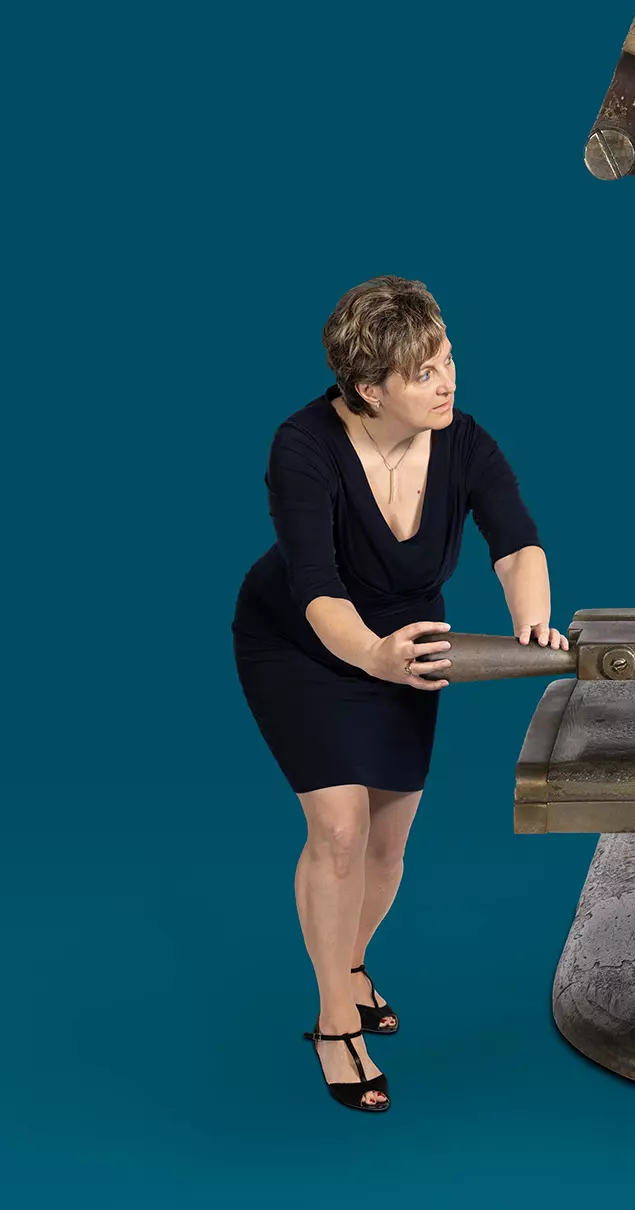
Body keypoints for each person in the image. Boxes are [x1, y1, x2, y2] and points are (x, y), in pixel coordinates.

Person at [231, 277, 569, 1113]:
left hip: (409, 646)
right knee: (339, 831)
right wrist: (371, 656)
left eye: (448, 360)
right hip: (302, 643)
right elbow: (315, 587)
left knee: (386, 847)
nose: (448, 381)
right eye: (424, 373)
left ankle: (348, 962)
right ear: (368, 388)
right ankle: (334, 1021)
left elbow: (516, 540)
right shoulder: (302, 446)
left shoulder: (464, 438)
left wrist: (531, 619)